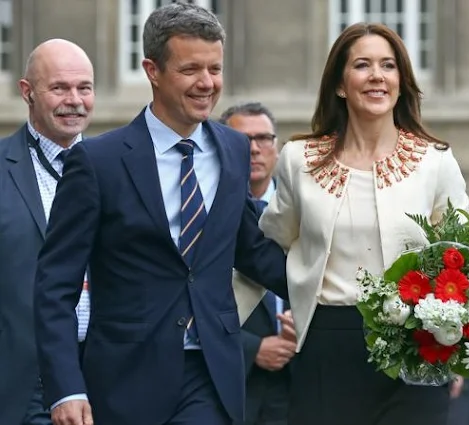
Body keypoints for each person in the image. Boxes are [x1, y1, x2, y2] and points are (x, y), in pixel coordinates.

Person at [34, 4, 287, 425]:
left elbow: (250, 248)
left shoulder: (234, 150)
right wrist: (66, 388)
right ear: (152, 70)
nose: (207, 83)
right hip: (124, 380)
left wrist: (340, 288)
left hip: (212, 372)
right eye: (191, 70)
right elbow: (55, 286)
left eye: (215, 69)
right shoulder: (97, 161)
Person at [259, 23, 469, 425]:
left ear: (400, 81)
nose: (377, 75)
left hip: (415, 343)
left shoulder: (436, 161)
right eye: (362, 65)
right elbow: (277, 240)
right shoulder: (297, 159)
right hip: (327, 343)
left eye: (388, 65)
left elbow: (464, 257)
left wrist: (455, 339)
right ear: (340, 84)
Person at [0, 39, 94, 425]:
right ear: (27, 92)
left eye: (84, 88)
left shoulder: (120, 167)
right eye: (59, 88)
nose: (74, 100)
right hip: (22, 386)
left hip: (104, 380)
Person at [220, 102, 294, 425]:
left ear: (277, 149)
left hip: (299, 387)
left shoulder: (303, 212)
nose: (253, 149)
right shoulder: (202, 213)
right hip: (235, 385)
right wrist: (252, 349)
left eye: (263, 138)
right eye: (242, 139)